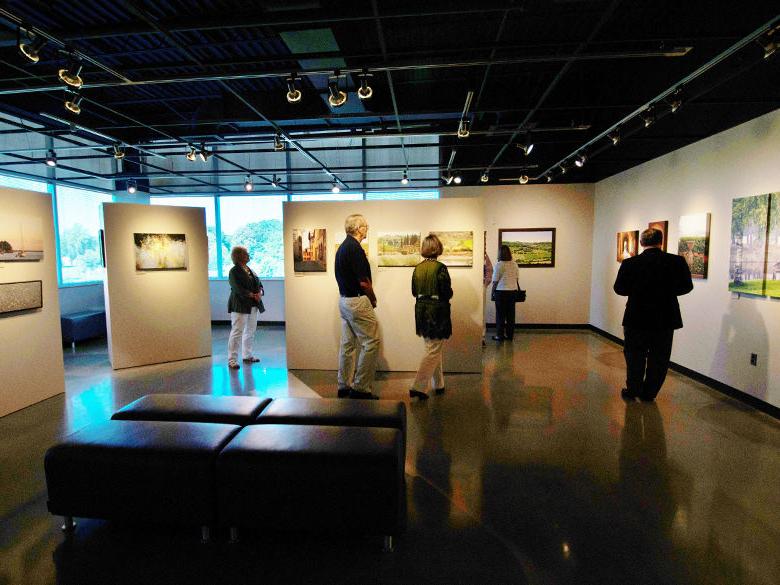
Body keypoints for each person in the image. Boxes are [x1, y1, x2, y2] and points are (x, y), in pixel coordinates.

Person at [613, 227, 693, 401]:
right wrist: (667, 292)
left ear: (641, 243)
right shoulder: (676, 261)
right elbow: (687, 287)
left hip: (636, 316)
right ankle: (649, 393)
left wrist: (638, 291)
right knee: (660, 357)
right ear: (661, 242)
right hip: (665, 317)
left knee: (634, 355)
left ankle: (633, 389)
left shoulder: (630, 263)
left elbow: (619, 289)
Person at [334, 214, 380, 399]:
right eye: (366, 226)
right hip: (357, 300)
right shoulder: (355, 248)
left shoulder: (343, 248)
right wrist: (373, 298)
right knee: (371, 343)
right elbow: (363, 282)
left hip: (344, 300)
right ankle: (361, 388)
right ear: (359, 229)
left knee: (347, 344)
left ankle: (343, 385)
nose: (367, 229)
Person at [409, 234, 453, 400]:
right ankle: (418, 387)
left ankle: (439, 383)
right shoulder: (440, 268)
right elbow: (446, 292)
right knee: (433, 349)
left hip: (421, 309)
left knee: (433, 347)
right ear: (437, 248)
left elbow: (414, 291)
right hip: (437, 311)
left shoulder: (417, 268)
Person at [227, 245, 264, 370]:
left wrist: (260, 293)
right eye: (246, 253)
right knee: (237, 332)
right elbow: (237, 288)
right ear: (239, 256)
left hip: (253, 305)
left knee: (250, 331)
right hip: (240, 305)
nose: (248, 255)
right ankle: (232, 360)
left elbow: (260, 284)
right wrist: (252, 295)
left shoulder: (250, 270)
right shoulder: (234, 271)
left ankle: (247, 355)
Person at [490, 244, 520, 341]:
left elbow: (495, 281)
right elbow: (517, 278)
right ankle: (510, 335)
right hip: (512, 292)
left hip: (501, 293)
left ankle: (500, 335)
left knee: (500, 315)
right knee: (511, 315)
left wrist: (492, 292)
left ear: (500, 253)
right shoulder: (514, 264)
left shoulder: (499, 265)